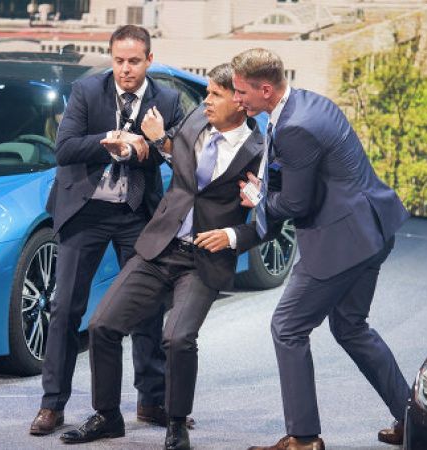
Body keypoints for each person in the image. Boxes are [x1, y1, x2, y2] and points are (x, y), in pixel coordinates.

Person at [60, 64, 270, 450]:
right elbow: (172, 151)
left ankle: (175, 423)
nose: (206, 101)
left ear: (239, 101)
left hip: (204, 258)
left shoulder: (261, 151)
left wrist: (232, 235)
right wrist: (153, 140)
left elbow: (272, 218)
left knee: (178, 338)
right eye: (206, 93)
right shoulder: (195, 120)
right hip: (160, 246)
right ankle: (107, 416)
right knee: (102, 325)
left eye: (215, 94)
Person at [231, 48, 411, 450]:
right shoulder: (308, 103)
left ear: (265, 90)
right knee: (351, 327)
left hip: (341, 243)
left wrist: (258, 200)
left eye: (241, 91)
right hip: (373, 230)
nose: (237, 99)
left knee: (287, 327)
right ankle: (415, 419)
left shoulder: (295, 127)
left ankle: (303, 438)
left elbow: (297, 204)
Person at [29, 25, 185, 436]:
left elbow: (177, 154)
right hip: (86, 210)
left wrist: (144, 148)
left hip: (135, 213)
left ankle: (151, 400)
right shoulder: (87, 91)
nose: (125, 69)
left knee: (147, 307)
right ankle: (52, 404)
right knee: (66, 308)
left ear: (149, 60)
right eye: (118, 61)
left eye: (133, 61)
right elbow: (65, 149)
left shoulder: (167, 100)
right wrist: (110, 141)